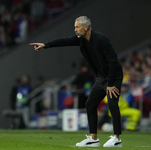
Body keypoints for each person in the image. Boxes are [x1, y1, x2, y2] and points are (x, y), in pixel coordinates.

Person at [30, 16, 123, 147]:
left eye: (77, 27)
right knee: (90, 105)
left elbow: (113, 61)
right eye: (74, 27)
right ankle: (93, 139)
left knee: (112, 104)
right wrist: (45, 45)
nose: (75, 30)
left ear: (86, 27)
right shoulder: (82, 40)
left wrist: (111, 83)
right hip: (102, 77)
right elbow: (64, 41)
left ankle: (117, 139)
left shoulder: (101, 39)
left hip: (114, 76)